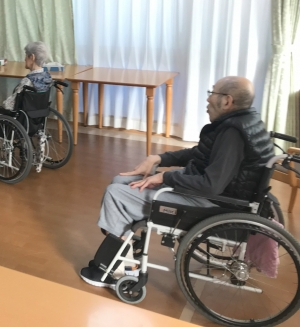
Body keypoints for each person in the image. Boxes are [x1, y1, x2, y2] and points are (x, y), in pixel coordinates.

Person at [79, 76, 275, 288]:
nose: (208, 99)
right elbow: (200, 154)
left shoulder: (233, 134)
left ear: (227, 101)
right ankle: (124, 244)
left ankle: (118, 270)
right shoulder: (245, 122)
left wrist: (165, 176)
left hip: (212, 203)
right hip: (210, 194)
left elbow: (211, 185)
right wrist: (158, 159)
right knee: (121, 180)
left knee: (115, 194)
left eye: (212, 93)